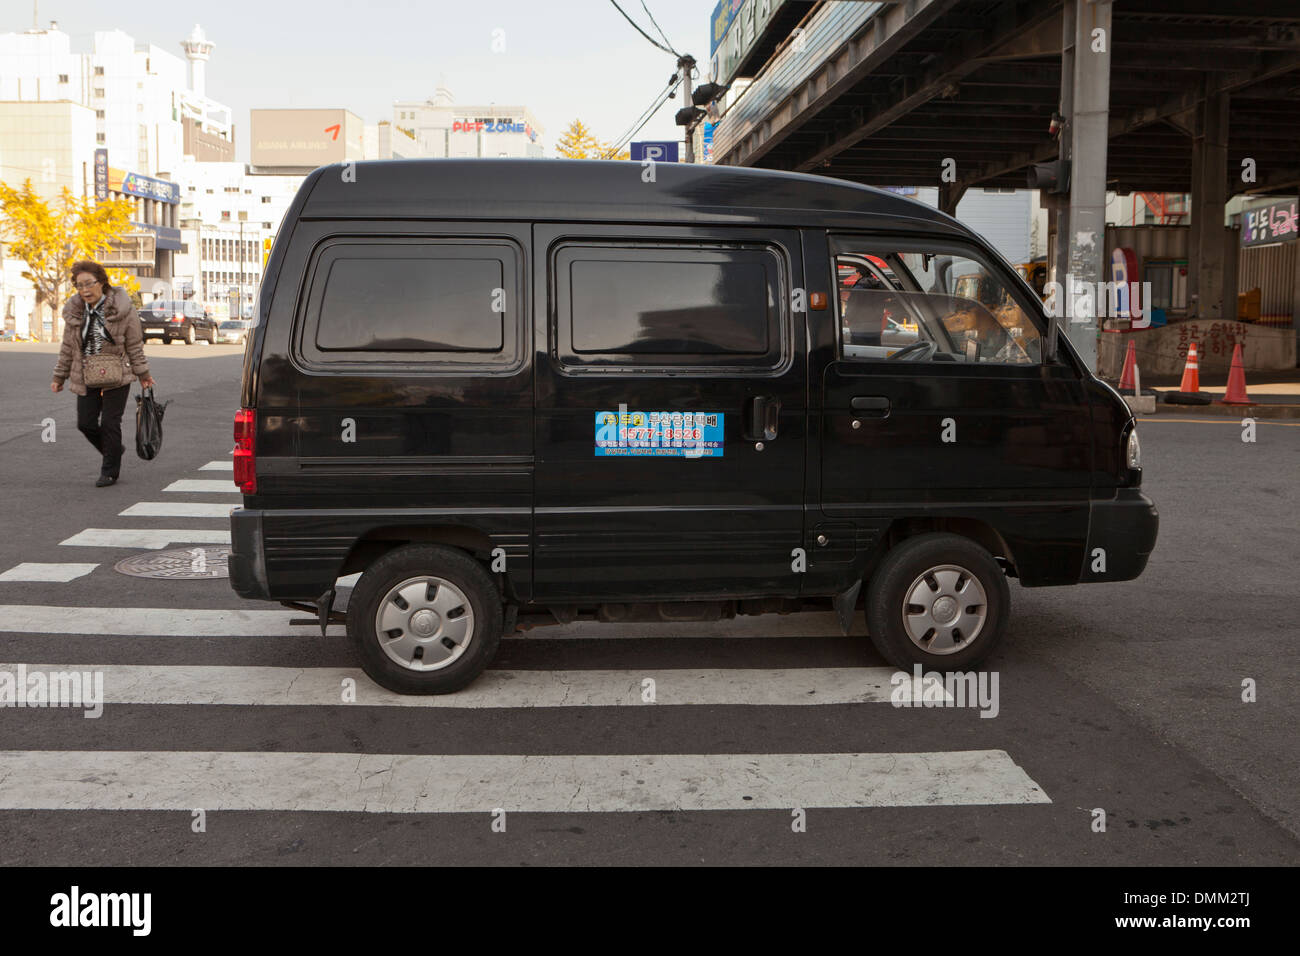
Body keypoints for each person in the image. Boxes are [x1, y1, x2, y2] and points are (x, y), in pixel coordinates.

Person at [51, 260, 156, 486]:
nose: (85, 290)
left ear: (102, 282)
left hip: (117, 372)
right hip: (86, 372)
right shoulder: (75, 311)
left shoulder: (123, 308)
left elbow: (135, 345)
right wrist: (59, 376)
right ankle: (114, 449)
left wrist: (143, 373)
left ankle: (110, 471)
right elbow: (68, 347)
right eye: (79, 285)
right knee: (85, 423)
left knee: (110, 422)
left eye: (89, 283)